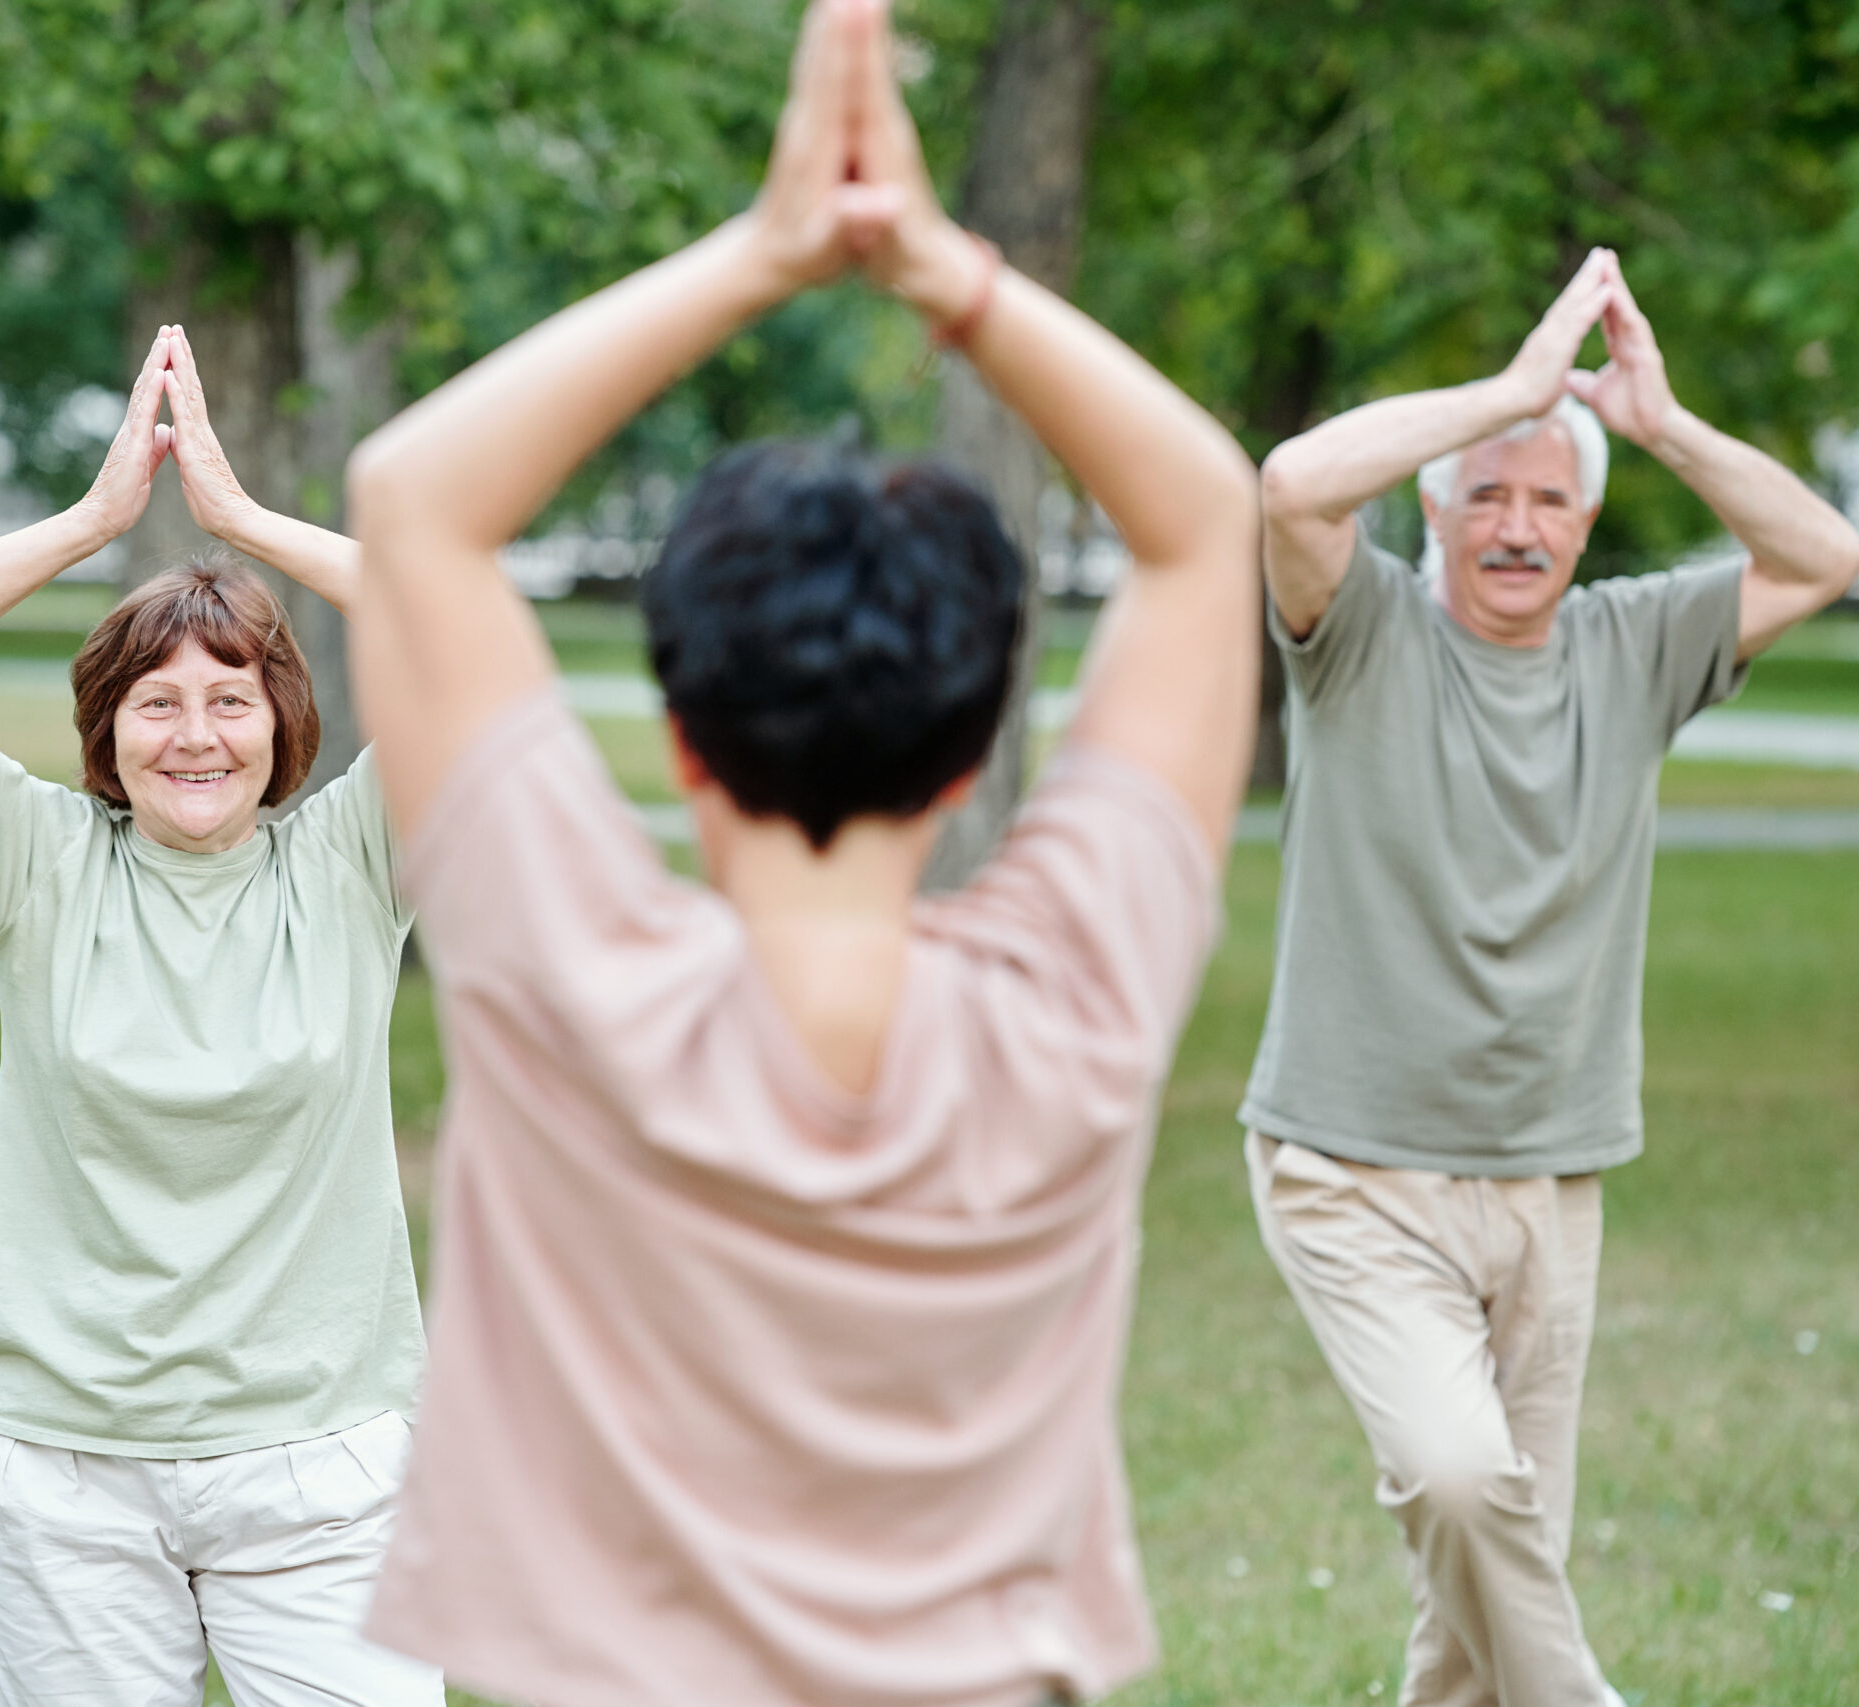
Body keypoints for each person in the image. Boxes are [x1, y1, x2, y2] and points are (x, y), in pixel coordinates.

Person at [338, 4, 1261, 1704]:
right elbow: (1208, 526)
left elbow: (413, 500)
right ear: (980, 750)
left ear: (683, 738)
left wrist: (769, 253)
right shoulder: (1078, 1009)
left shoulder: (570, 982)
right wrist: (939, 271)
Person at [1243, 247, 1859, 1707]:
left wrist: (1660, 424)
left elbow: (1827, 557)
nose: (1518, 527)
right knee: (1467, 1491)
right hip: (1353, 1172)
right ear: (1436, 511)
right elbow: (1286, 483)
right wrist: (1513, 394)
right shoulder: (1364, 634)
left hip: (1548, 1183)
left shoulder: (1634, 646)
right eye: (1488, 495)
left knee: (1479, 1614)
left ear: (1586, 520)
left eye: (1549, 498)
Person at [0, 326, 442, 1707]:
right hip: (67, 1478)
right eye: (158, 703)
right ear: (107, 734)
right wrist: (97, 522)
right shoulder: (35, 863)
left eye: (232, 698)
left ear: (283, 723)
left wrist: (239, 521)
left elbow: (468, 632)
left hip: (324, 1463)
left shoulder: (352, 865)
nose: (198, 734)